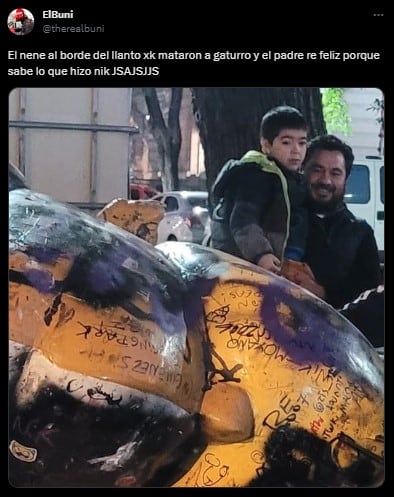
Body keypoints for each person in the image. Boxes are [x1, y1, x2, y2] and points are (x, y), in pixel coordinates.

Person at [210, 105, 318, 284]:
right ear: (266, 145)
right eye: (286, 142)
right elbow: (242, 221)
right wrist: (261, 254)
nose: (296, 150)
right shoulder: (256, 176)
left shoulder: (291, 180)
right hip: (242, 268)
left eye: (302, 142)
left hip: (274, 268)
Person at [302, 134, 382, 308]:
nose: (325, 180)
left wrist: (322, 293)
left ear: (346, 179)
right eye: (317, 170)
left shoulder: (360, 232)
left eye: (335, 173)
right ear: (303, 170)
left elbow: (370, 297)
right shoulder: (283, 220)